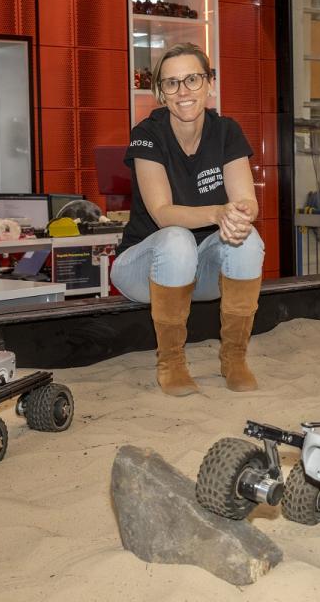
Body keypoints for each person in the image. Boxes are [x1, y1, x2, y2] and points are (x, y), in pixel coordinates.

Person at [110, 43, 264, 396]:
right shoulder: (148, 135)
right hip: (143, 272)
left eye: (192, 79)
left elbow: (246, 202)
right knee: (177, 237)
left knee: (249, 239)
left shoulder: (226, 131)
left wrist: (242, 214)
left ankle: (235, 359)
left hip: (199, 272)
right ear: (160, 93)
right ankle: (172, 362)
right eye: (172, 83)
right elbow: (163, 214)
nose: (183, 91)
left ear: (209, 83)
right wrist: (216, 212)